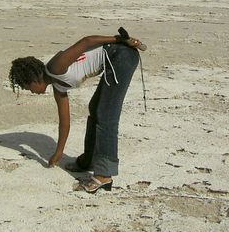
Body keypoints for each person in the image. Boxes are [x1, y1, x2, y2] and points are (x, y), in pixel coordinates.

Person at [9, 30, 143, 193]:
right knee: (95, 109)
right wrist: (58, 154)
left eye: (28, 88)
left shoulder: (55, 66)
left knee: (106, 116)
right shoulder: (58, 87)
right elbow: (64, 122)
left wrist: (121, 39)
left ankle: (103, 176)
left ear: (34, 79)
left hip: (121, 55)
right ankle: (88, 161)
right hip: (115, 59)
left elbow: (87, 41)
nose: (31, 92)